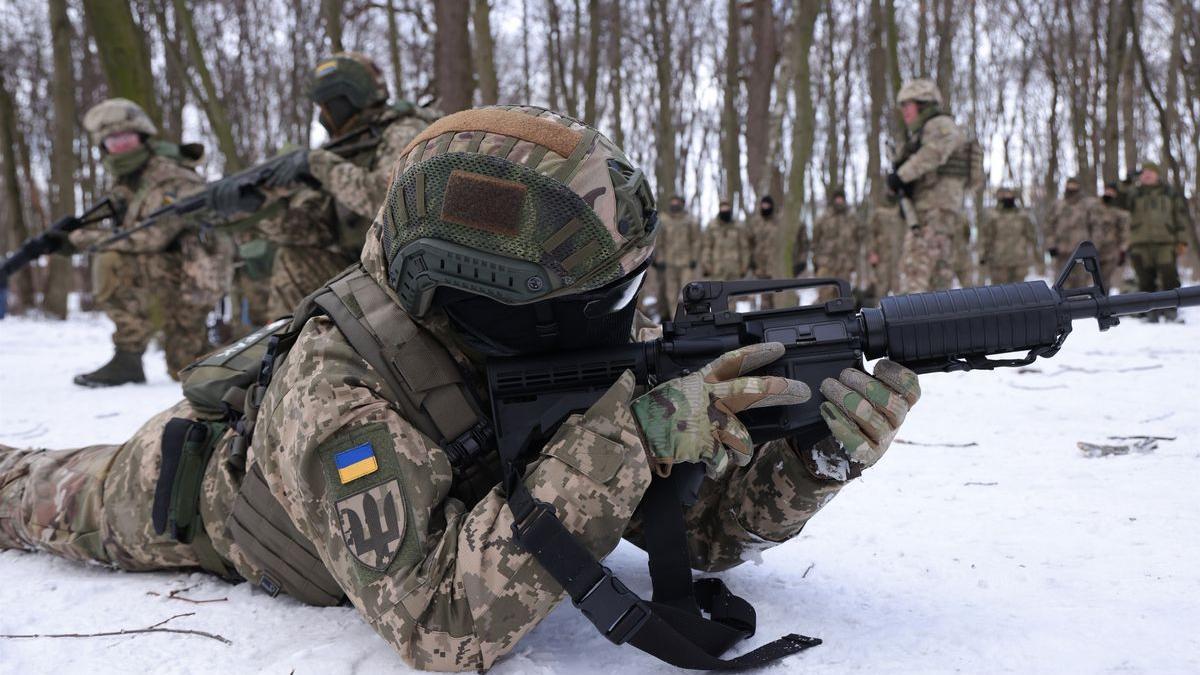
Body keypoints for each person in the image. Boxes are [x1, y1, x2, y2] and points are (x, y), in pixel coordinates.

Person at [0, 106, 920, 671]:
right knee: (32, 490)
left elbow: (696, 527)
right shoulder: (336, 395)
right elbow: (441, 626)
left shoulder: (550, 327)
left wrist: (813, 458)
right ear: (499, 298)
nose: (626, 319)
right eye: (608, 300)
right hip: (197, 493)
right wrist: (629, 438)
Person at [238, 52, 439, 320]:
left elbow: (388, 197)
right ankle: (287, 353)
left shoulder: (402, 130)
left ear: (344, 100)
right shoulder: (348, 148)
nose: (322, 116)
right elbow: (317, 231)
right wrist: (262, 207)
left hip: (408, 269)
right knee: (292, 258)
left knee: (292, 263)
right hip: (367, 264)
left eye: (325, 107)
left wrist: (318, 164)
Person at [58, 98, 229, 386]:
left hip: (195, 279)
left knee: (187, 367)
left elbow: (152, 236)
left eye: (126, 138)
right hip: (169, 273)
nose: (121, 147)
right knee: (111, 258)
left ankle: (248, 351)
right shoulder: (129, 182)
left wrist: (81, 239)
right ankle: (128, 356)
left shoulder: (173, 177)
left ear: (143, 137)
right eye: (113, 141)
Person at [888, 79, 968, 293]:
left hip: (932, 217)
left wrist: (901, 176)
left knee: (913, 280)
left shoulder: (940, 125)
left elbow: (934, 153)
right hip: (937, 217)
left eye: (908, 105)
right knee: (937, 289)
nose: (904, 111)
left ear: (923, 104)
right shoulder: (925, 132)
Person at [1118, 162, 1192, 321]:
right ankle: (1150, 311)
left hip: (1166, 242)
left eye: (1151, 172)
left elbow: (1180, 218)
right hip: (1139, 243)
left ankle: (1171, 310)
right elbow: (1118, 201)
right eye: (1144, 172)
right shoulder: (1134, 193)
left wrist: (1182, 241)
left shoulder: (1169, 192)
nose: (1147, 175)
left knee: (1169, 277)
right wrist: (1126, 183)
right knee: (1145, 279)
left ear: (1157, 174)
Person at [651, 194, 701, 318]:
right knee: (671, 294)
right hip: (669, 264)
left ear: (682, 204)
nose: (674, 204)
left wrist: (694, 259)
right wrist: (660, 259)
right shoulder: (663, 220)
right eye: (672, 201)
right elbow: (659, 242)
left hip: (686, 264)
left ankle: (689, 318)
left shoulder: (690, 220)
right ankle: (675, 319)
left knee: (687, 293)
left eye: (677, 201)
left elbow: (696, 241)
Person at [811, 187, 863, 299]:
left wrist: (854, 261)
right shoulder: (823, 218)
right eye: (837, 199)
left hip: (845, 266)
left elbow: (859, 240)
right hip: (826, 265)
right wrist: (816, 262)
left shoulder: (852, 219)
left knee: (843, 298)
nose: (839, 201)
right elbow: (815, 241)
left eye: (841, 199)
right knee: (824, 298)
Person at [978, 187, 1038, 284]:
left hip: (1019, 261)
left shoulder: (1023, 216)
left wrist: (1037, 257)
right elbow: (986, 237)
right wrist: (983, 255)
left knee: (1019, 293)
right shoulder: (993, 216)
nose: (1007, 198)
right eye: (1004, 196)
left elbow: (1032, 236)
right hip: (999, 263)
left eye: (1010, 195)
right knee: (1000, 293)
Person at [864, 190, 906, 301]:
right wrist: (871, 253)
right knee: (881, 289)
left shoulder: (902, 210)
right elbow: (870, 234)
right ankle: (879, 314)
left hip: (899, 257)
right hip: (883, 257)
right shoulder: (878, 213)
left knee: (901, 291)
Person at [746, 194, 785, 308]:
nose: (765, 206)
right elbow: (749, 243)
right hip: (761, 268)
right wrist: (751, 261)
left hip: (777, 266)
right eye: (763, 204)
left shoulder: (779, 223)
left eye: (768, 204)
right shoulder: (755, 223)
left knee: (779, 297)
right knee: (765, 299)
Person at [700, 199, 750, 281]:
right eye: (722, 208)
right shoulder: (712, 226)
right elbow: (707, 247)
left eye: (726, 208)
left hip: (735, 269)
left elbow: (744, 247)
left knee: (737, 292)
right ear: (719, 209)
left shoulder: (738, 226)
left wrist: (744, 267)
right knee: (717, 292)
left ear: (730, 209)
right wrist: (707, 265)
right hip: (717, 269)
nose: (724, 210)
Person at [1095, 181, 1131, 291]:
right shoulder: (1096, 207)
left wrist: (1123, 250)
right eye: (1107, 190)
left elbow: (1125, 231)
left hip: (1112, 251)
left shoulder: (1120, 211)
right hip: (1095, 248)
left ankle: (1105, 304)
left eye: (1112, 191)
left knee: (1106, 281)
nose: (1109, 193)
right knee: (1094, 280)